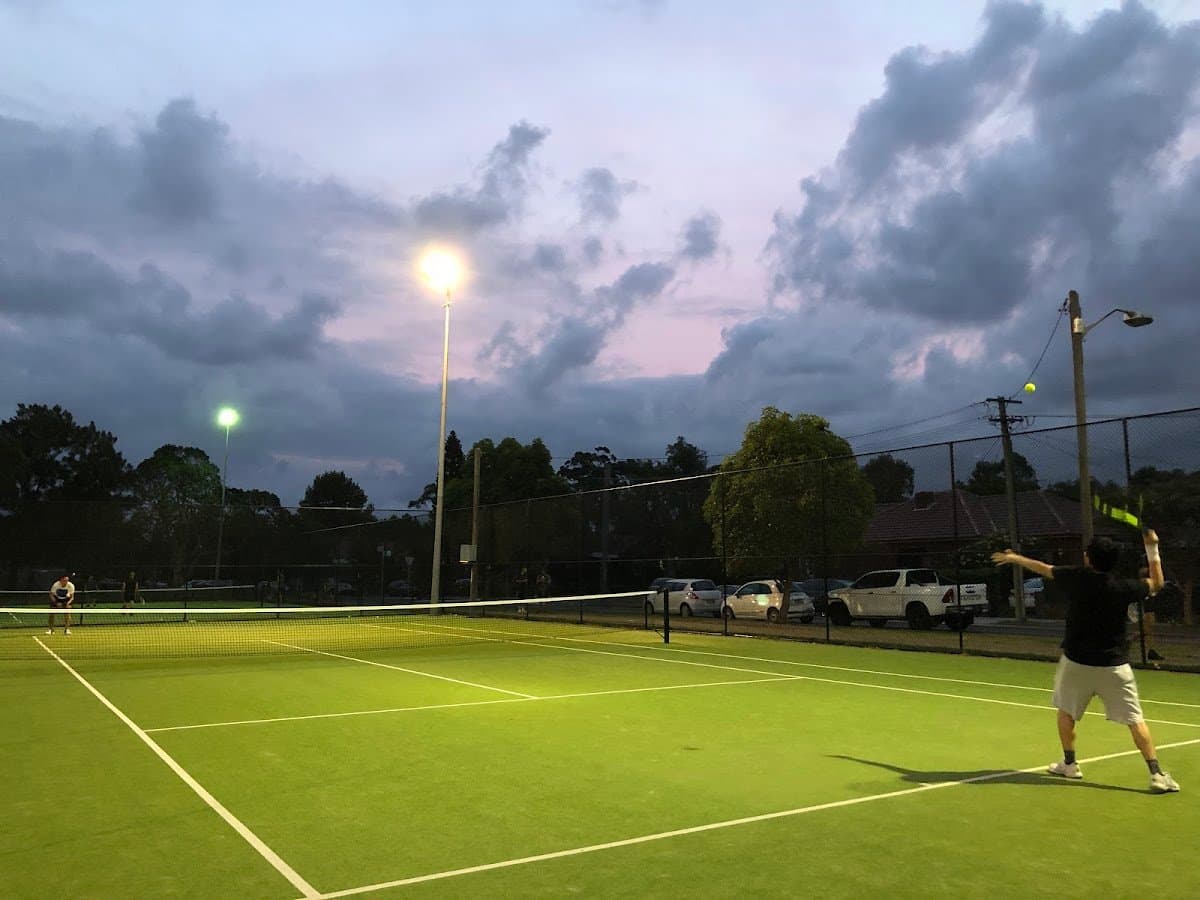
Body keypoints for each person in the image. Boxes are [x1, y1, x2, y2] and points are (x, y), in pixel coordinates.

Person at [992, 530, 1180, 794]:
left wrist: (1015, 558)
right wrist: (1152, 548)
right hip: (1115, 667)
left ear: (1089, 558)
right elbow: (1158, 583)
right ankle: (1157, 774)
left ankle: (1070, 764)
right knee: (1135, 719)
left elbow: (1044, 568)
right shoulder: (1123, 586)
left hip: (1076, 663)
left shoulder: (1077, 579)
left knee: (1065, 712)